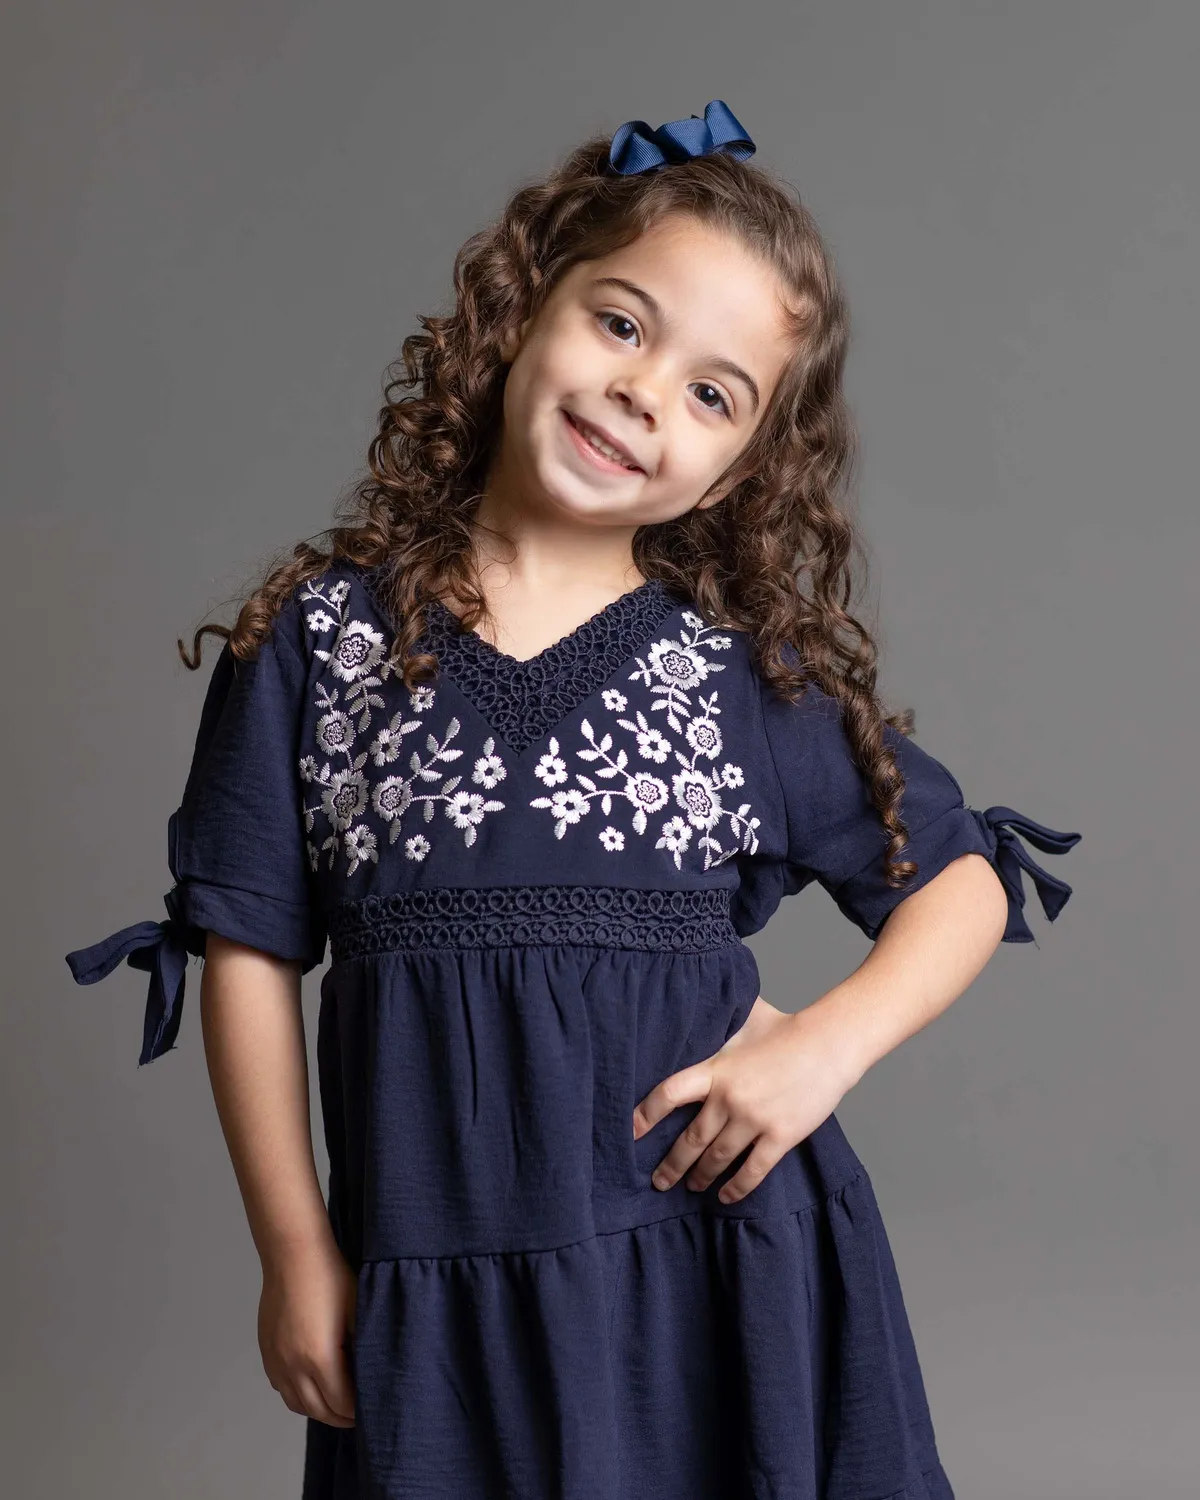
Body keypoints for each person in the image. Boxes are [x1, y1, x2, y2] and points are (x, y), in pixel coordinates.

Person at [65, 99, 1080, 1500]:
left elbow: (961, 882)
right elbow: (246, 946)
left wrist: (821, 1052)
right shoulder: (316, 639)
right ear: (526, 303)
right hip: (439, 1289)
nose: (648, 391)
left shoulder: (737, 677)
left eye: (716, 393)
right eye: (623, 324)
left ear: (747, 464)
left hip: (717, 1280)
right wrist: (295, 1249)